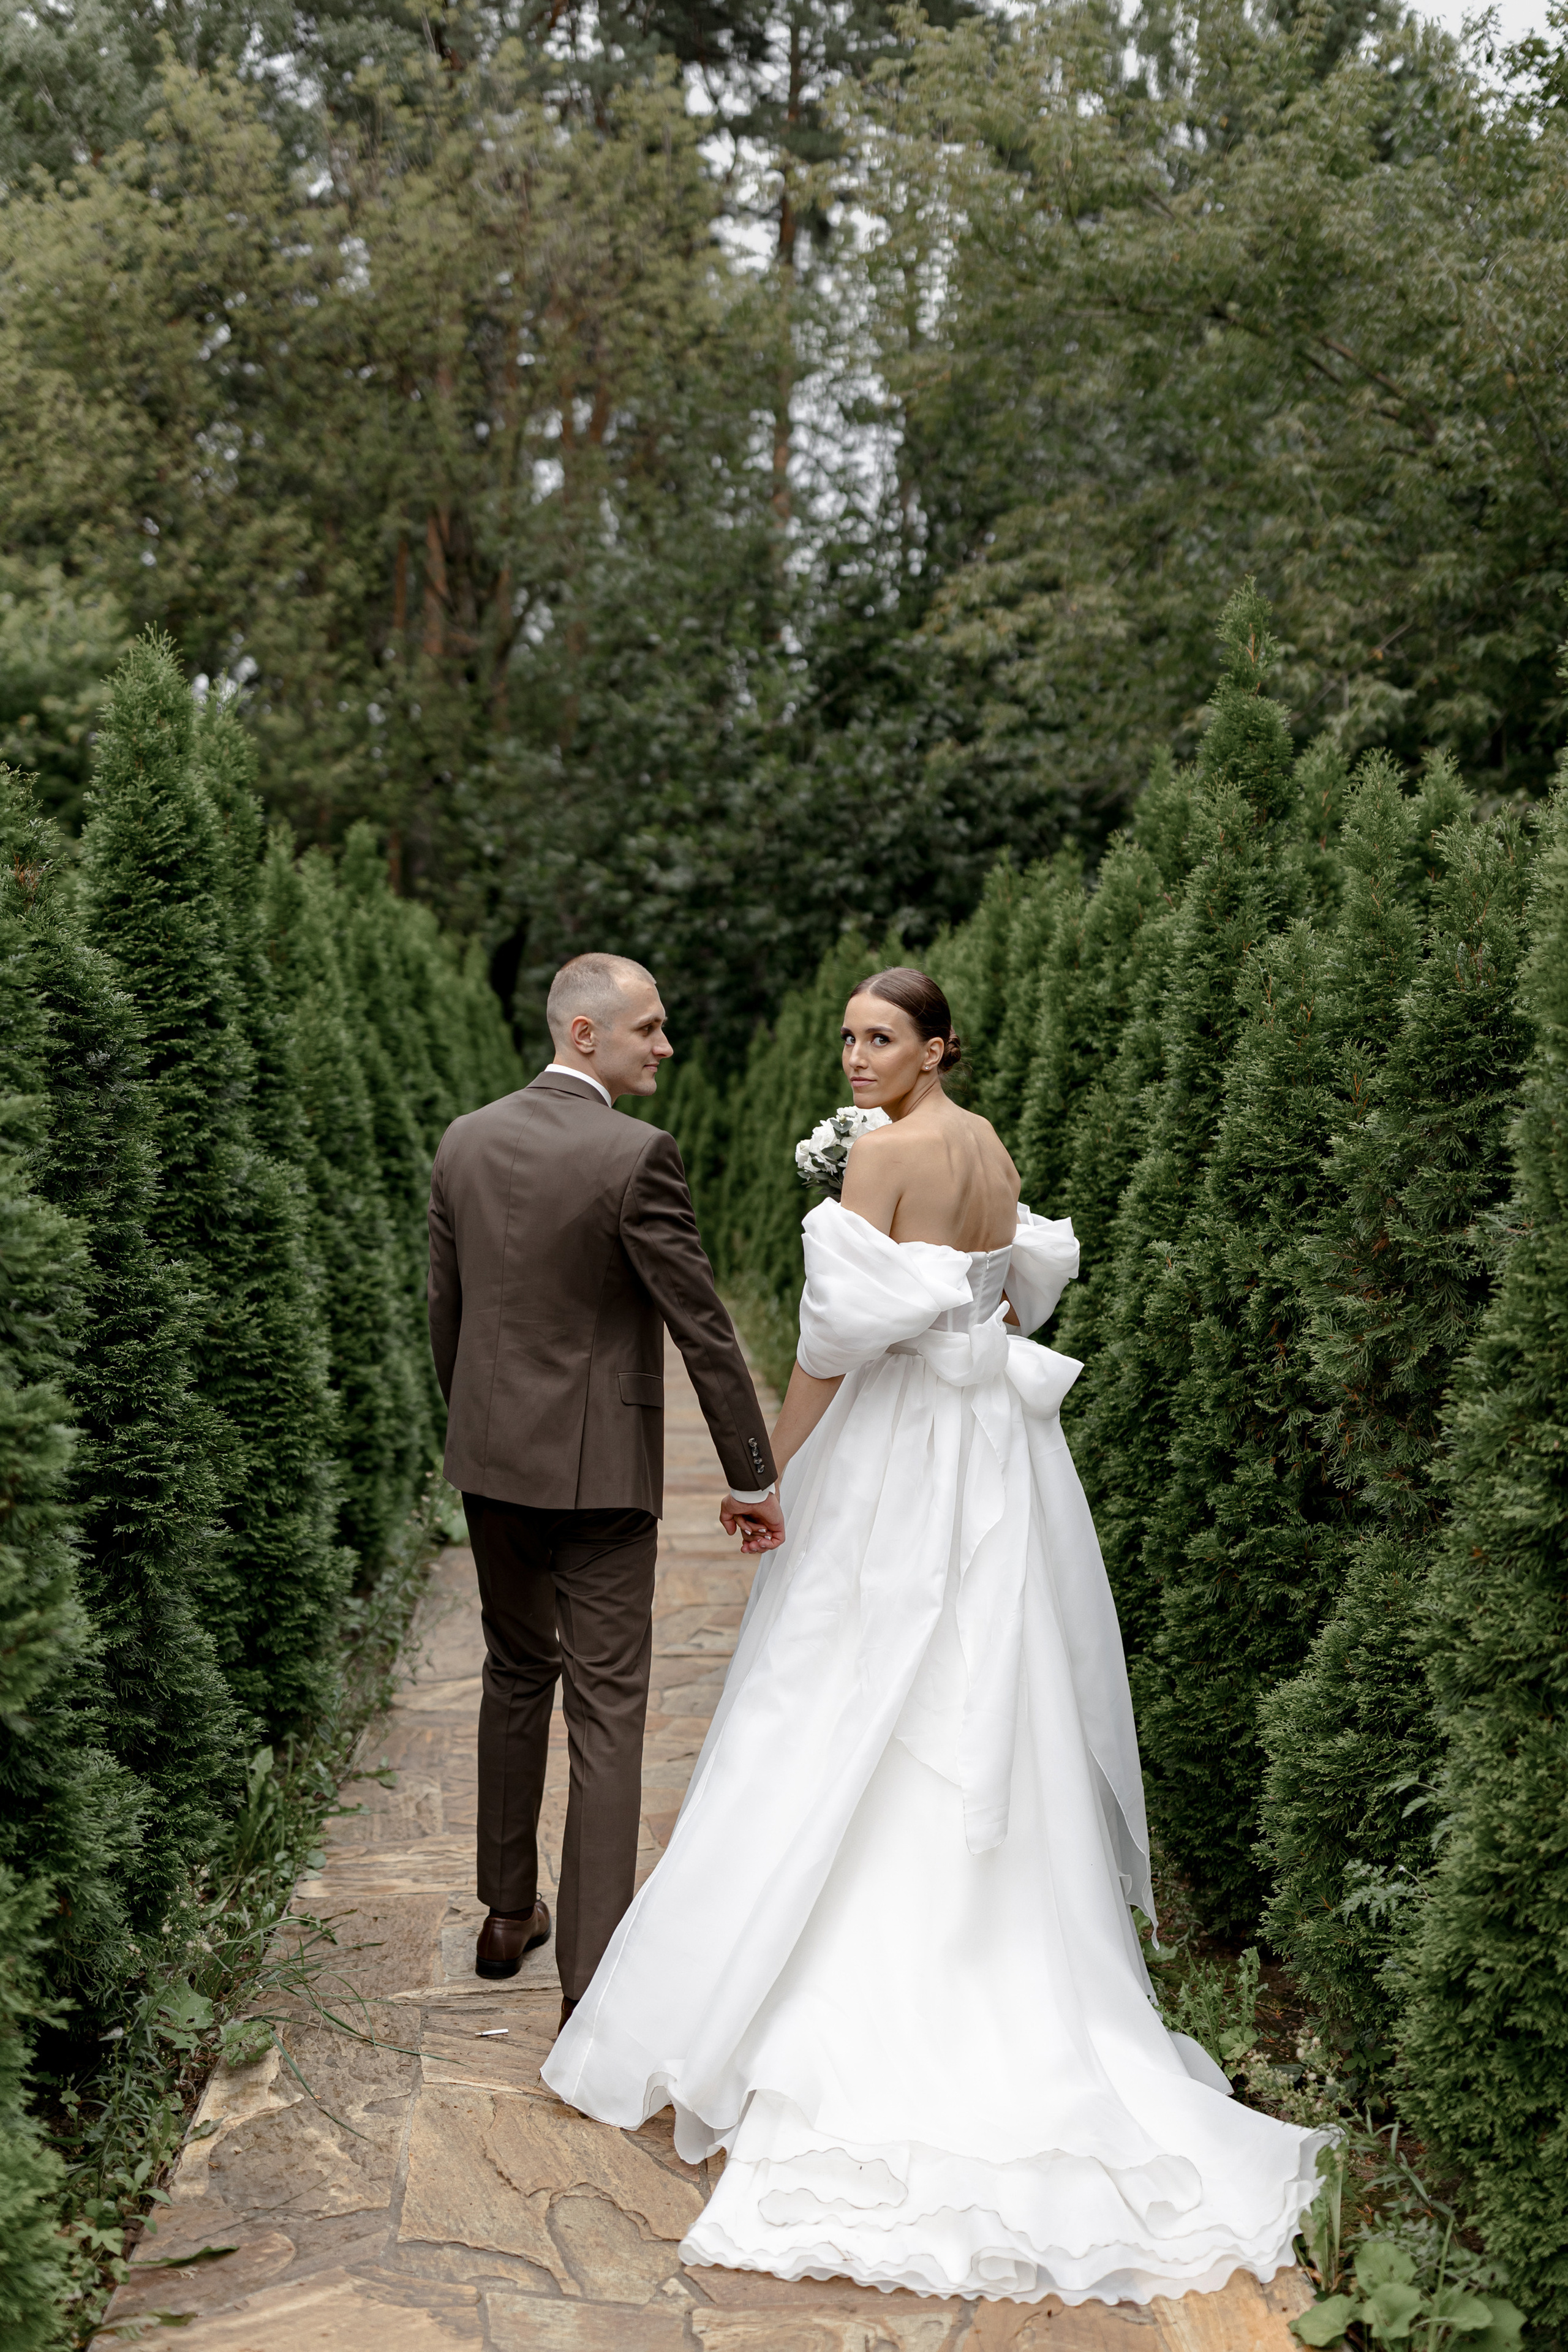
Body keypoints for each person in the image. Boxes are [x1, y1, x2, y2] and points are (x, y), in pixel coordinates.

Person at [542, 965, 1327, 2307]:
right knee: (985, 1679)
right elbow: (1016, 1291)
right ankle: (1009, 1959)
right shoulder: (983, 1142)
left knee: (837, 1683)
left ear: (934, 1046)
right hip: (994, 1456)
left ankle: (825, 1990)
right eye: (848, 1038)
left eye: (878, 1038)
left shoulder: (888, 1157)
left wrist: (766, 1471)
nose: (854, 1058)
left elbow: (831, 1346)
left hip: (900, 1452)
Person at [427, 952, 782, 2027]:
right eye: (649, 1029)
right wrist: (753, 1473)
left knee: (514, 1673)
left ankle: (503, 1915)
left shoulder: (465, 1140)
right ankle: (589, 1977)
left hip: (492, 1465)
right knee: (610, 1709)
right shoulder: (637, 1156)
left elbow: (447, 1312)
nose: (665, 1045)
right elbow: (701, 1324)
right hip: (599, 1479)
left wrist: (479, 1435)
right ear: (585, 1034)